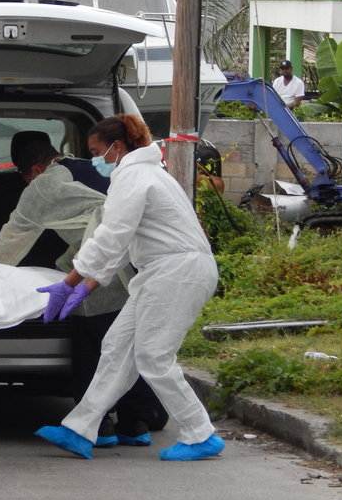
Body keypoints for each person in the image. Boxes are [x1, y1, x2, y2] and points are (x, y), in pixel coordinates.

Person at [34, 114, 225, 462]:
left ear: (116, 147)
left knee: (153, 356)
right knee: (117, 346)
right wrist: (90, 283)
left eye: (96, 151)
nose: (94, 159)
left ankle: (200, 434)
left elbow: (110, 236)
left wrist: (69, 282)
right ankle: (80, 428)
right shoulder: (146, 174)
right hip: (165, 271)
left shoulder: (134, 176)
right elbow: (121, 245)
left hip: (176, 272)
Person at [0, 140, 168, 447]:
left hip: (101, 274)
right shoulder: (97, 170)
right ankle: (136, 423)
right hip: (142, 263)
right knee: (131, 344)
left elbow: (14, 235)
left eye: (24, 176)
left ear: (34, 169)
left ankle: (100, 427)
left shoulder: (43, 186)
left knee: (94, 347)